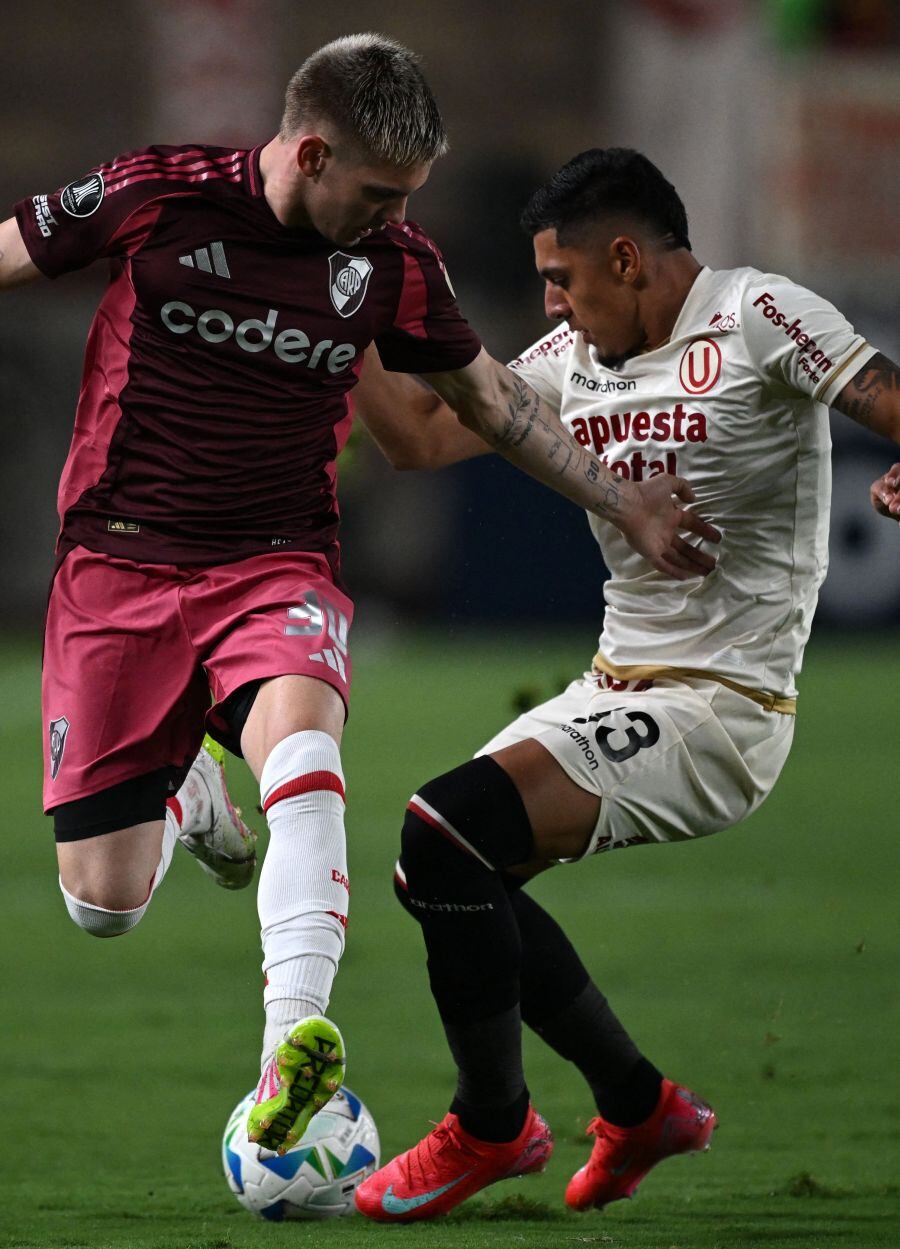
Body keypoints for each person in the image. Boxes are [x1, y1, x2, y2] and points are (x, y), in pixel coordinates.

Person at [0, 44, 718, 1156]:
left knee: (303, 755)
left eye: (408, 198)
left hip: (274, 562)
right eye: (378, 192)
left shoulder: (391, 263)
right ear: (313, 149)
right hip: (119, 568)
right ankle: (186, 784)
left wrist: (625, 503)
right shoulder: (158, 194)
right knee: (104, 904)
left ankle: (292, 1050)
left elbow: (488, 404)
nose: (391, 215)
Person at [349, 147, 900, 1220]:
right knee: (446, 874)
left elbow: (887, 397)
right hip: (614, 683)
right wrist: (352, 312)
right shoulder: (571, 357)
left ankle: (492, 1125)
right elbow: (415, 437)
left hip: (723, 708)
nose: (550, 301)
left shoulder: (757, 316)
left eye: (560, 279)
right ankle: (639, 1104)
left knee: (442, 828)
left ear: (623, 257)